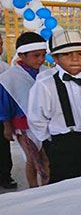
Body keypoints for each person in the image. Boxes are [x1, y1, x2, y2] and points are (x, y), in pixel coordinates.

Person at [28, 30, 81, 184]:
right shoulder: (45, 85)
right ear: (56, 58)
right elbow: (37, 118)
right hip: (62, 143)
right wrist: (50, 141)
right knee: (65, 183)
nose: (75, 59)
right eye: (67, 54)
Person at [0, 32, 50, 188]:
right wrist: (7, 127)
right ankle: (34, 188)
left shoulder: (46, 73)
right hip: (24, 126)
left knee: (46, 158)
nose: (41, 60)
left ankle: (48, 186)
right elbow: (4, 105)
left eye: (43, 55)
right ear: (22, 55)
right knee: (32, 159)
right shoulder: (9, 77)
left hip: (46, 123)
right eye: (36, 56)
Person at [0, 34, 16, 189]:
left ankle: (5, 176)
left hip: (1, 116)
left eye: (0, 44)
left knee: (3, 148)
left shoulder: (5, 69)